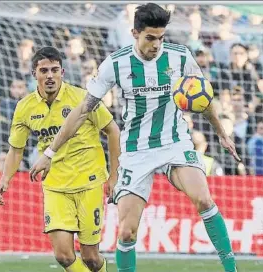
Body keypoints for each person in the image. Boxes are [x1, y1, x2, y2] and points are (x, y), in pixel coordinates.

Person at [30, 4, 241, 272]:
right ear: (134, 33)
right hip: (135, 150)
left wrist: (222, 134)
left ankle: (231, 269)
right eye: (150, 38)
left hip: (174, 142)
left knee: (204, 199)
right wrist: (49, 153)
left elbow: (202, 95)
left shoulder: (180, 57)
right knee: (127, 232)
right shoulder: (115, 64)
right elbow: (83, 110)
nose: (156, 45)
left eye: (161, 38)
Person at [0, 46, 121, 272]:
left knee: (91, 258)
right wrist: (5, 178)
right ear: (34, 73)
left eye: (54, 70)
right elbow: (16, 149)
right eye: (44, 70)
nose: (50, 75)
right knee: (63, 255)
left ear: (63, 72)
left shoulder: (83, 98)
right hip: (55, 185)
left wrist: (114, 176)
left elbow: (113, 131)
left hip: (88, 182)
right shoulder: (24, 108)